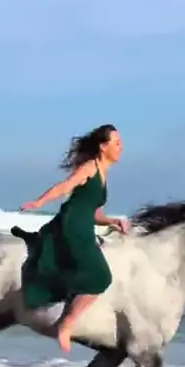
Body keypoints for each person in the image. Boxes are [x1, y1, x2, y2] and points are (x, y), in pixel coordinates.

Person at [19, 124, 128, 353]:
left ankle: (64, 314)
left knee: (96, 275)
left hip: (84, 225)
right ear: (103, 147)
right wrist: (40, 202)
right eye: (117, 143)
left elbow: (92, 211)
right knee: (101, 277)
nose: (121, 147)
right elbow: (65, 187)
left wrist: (111, 221)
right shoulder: (90, 167)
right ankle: (66, 323)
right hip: (72, 227)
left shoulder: (104, 173)